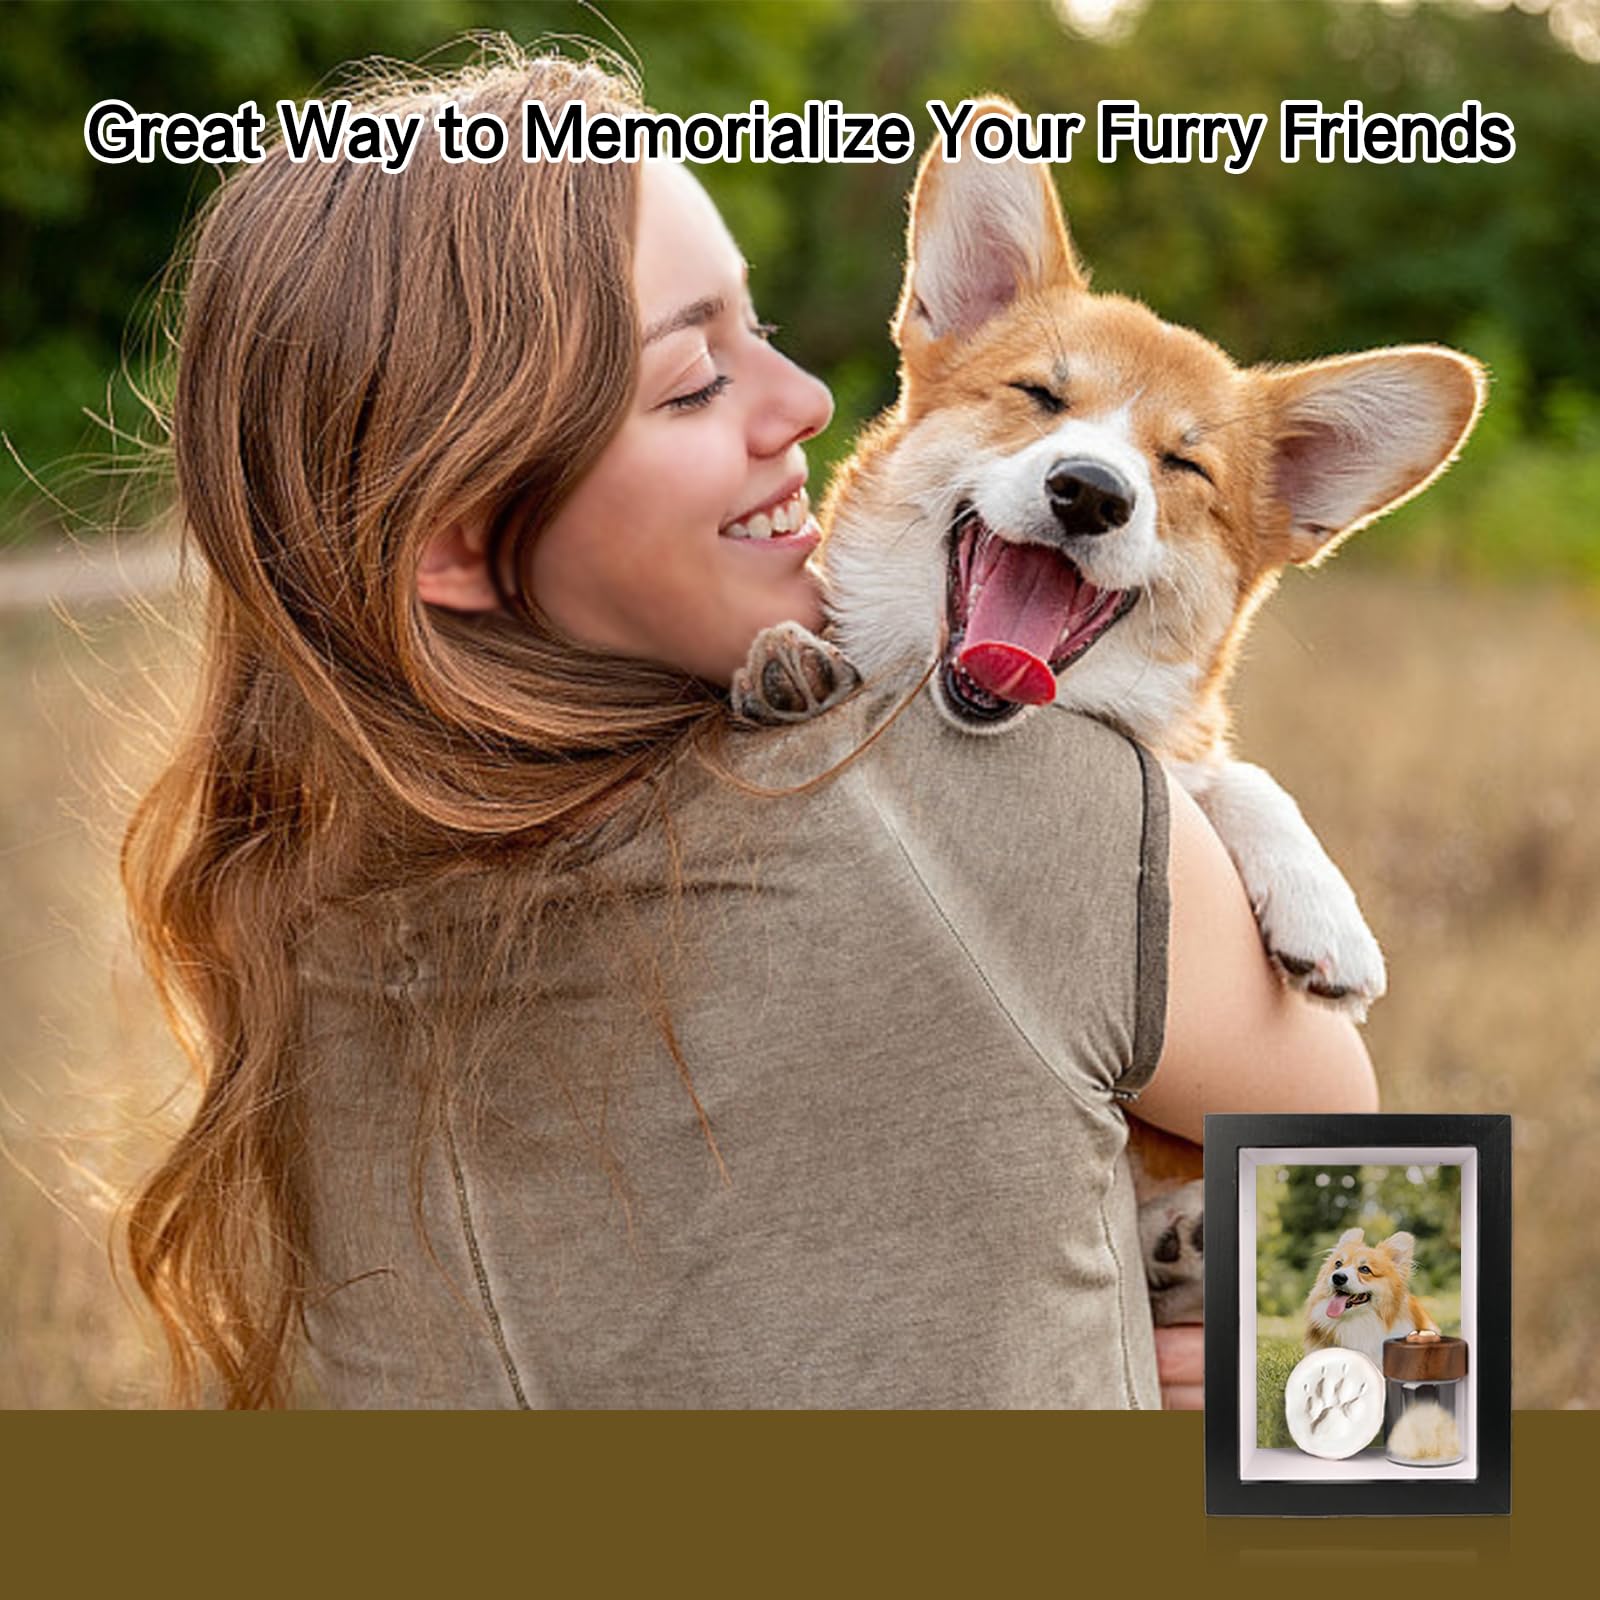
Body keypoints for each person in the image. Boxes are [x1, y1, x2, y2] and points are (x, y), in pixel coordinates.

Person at [121, 46, 1376, 1409]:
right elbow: (1379, 1307)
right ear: (466, 535)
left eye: (756, 326)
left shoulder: (292, 917)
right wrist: (1291, 1409)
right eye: (690, 380)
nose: (812, 402)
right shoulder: (1027, 811)